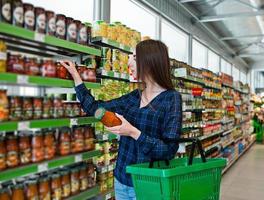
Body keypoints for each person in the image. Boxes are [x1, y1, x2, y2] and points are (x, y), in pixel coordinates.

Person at [60, 39, 182, 200]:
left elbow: (169, 150)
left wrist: (132, 132)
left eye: (135, 58)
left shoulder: (171, 99)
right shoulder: (134, 97)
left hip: (148, 184)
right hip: (122, 181)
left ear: (151, 62)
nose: (129, 62)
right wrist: (77, 77)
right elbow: (97, 109)